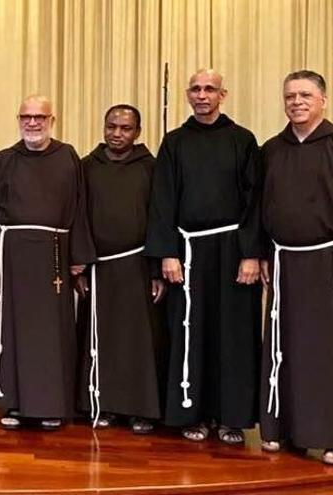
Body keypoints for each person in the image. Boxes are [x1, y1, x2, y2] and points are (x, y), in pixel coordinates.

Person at [146, 69, 262, 445]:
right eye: (195, 89)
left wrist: (249, 254)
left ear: (223, 95)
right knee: (189, 331)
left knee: (233, 335)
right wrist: (167, 254)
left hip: (232, 252)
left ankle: (230, 417)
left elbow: (254, 201)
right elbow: (162, 202)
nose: (202, 95)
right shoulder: (174, 143)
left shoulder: (243, 140)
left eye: (209, 89)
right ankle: (190, 411)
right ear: (187, 94)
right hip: (188, 253)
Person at [0, 95, 95, 430]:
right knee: (12, 330)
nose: (32, 123)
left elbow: (80, 207)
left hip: (54, 255)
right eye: (26, 116)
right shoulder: (4, 160)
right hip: (11, 254)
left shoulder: (68, 157)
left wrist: (78, 257)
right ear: (18, 119)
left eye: (39, 117)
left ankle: (50, 405)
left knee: (50, 334)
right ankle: (13, 404)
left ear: (51, 120)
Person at [75, 104, 166, 434]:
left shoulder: (152, 168)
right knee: (100, 338)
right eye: (111, 126)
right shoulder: (86, 167)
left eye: (125, 128)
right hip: (98, 268)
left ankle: (141, 409)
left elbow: (161, 218)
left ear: (138, 132)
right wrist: (81, 266)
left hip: (138, 265)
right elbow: (78, 218)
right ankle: (102, 404)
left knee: (139, 341)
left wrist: (157, 269)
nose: (117, 133)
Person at [259, 70, 333, 464]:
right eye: (290, 96)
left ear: (323, 100)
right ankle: (282, 428)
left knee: (323, 349)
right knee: (283, 346)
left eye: (305, 95)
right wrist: (260, 253)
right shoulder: (272, 149)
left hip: (326, 261)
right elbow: (257, 208)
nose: (296, 102)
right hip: (282, 261)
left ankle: (328, 434)